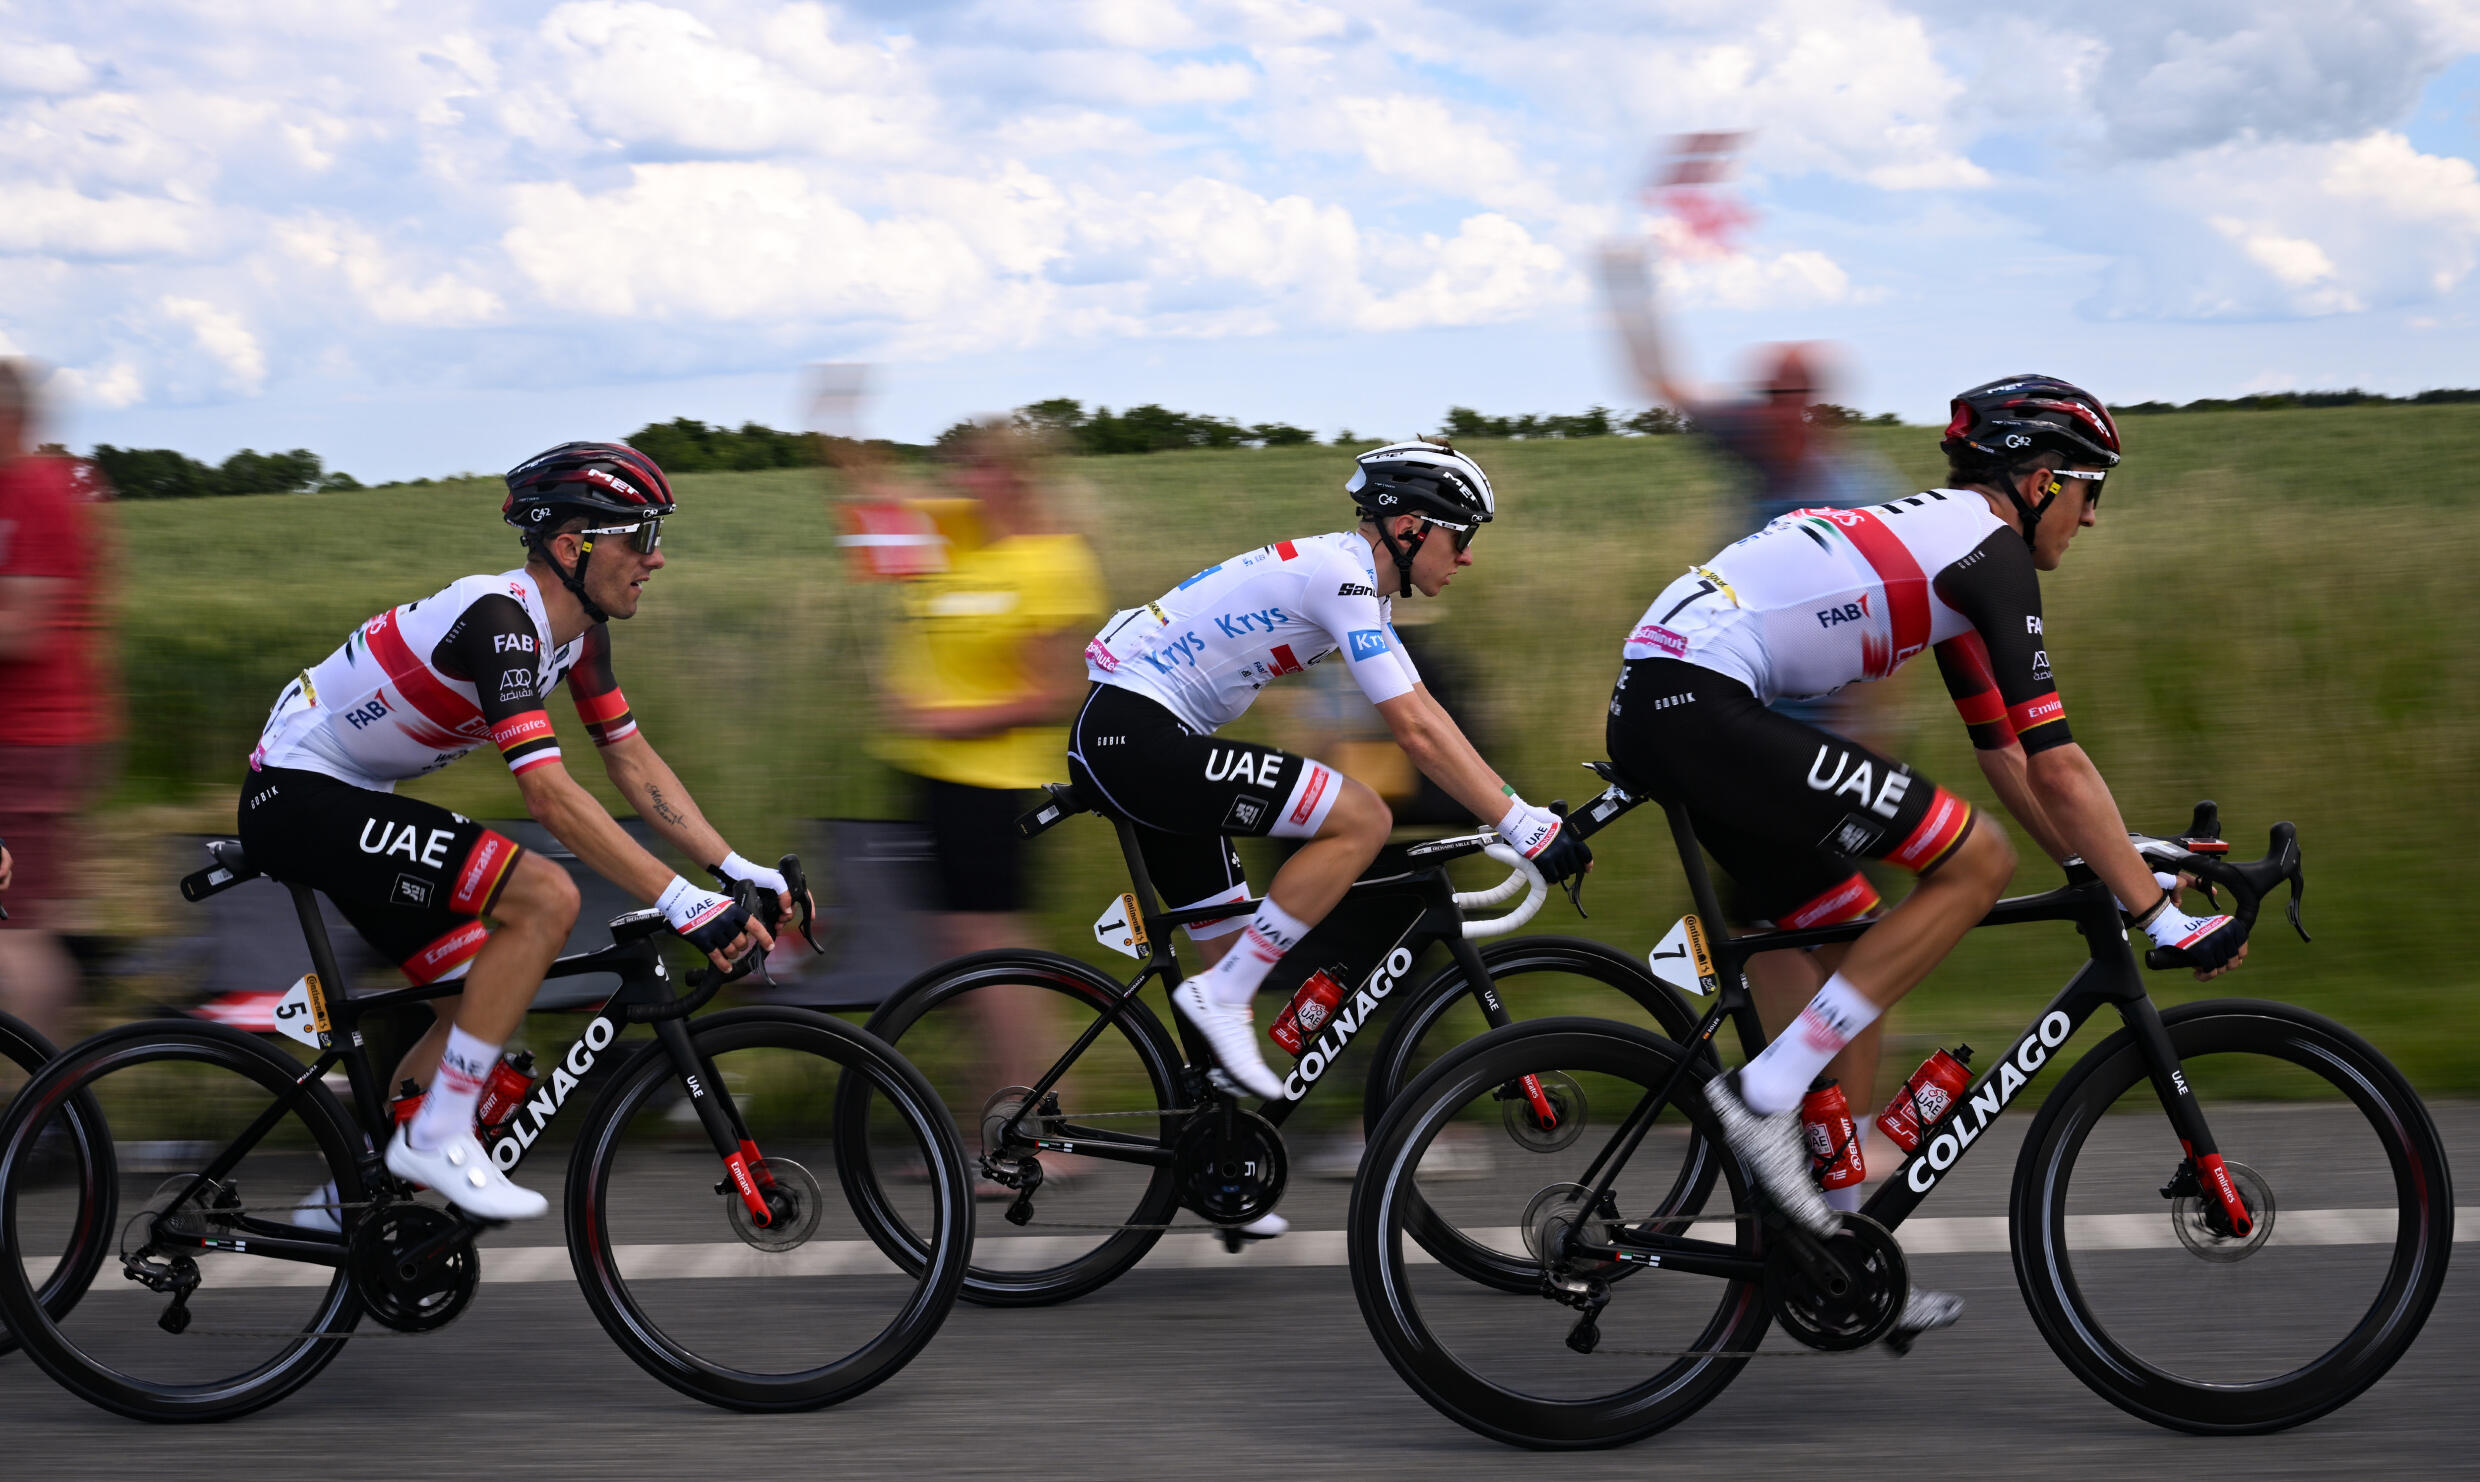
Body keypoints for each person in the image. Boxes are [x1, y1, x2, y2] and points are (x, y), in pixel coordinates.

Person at [1603, 376, 2248, 1341]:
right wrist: (2161, 919)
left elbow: (2012, 757)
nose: (2093, 518)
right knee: (1973, 863)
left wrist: (2118, 867)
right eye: (2090, 490)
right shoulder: (1987, 554)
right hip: (1696, 699)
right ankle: (1761, 1096)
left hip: (1667, 698)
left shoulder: (1943, 550)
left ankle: (1833, 1244)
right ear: (2039, 481)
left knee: (1847, 923)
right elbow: (2062, 761)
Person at [242, 442, 793, 1220]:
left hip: (352, 791)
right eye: (639, 537)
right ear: (574, 547)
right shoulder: (501, 622)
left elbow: (630, 759)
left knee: (480, 999)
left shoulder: (578, 636)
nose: (657, 558)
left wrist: (735, 867)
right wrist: (682, 903)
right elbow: (547, 795)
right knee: (542, 896)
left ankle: (356, 1206)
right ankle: (436, 1135)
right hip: (297, 791)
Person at [1069, 438, 1592, 1119]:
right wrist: (1519, 823)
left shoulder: (1360, 590)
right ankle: (1223, 999)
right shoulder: (1341, 578)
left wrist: (1513, 808)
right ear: (1409, 529)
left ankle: (1219, 1161)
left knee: (1231, 950)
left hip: (1142, 737)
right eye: (1460, 538)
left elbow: (1427, 713)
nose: (1466, 556)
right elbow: (1414, 733)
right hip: (1133, 736)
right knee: (1362, 818)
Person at [1599, 242, 1904, 1207]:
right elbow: (1657, 378)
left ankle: (1804, 1111)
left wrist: (1869, 750)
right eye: (1766, 398)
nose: (1775, 416)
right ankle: (1834, 1136)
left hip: (1804, 744)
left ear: (1816, 409)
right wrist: (1630, 288)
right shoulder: (1751, 441)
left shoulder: (1853, 484)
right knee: (1836, 936)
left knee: (1797, 931)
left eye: (1790, 401)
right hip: (1741, 730)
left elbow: (1889, 636)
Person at [856, 422, 1103, 1083]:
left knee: (994, 961)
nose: (963, 482)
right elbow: (867, 505)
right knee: (960, 958)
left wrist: (941, 720)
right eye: (958, 468)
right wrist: (843, 428)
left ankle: (1045, 1131)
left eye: (980, 468)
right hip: (932, 779)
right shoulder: (957, 533)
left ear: (1018, 477)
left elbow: (1051, 694)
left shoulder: (1052, 562)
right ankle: (996, 1126)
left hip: (996, 788)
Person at [0, 359, 116, 1047]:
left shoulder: (39, 494)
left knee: (19, 932)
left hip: (33, 744)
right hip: (22, 740)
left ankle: (48, 1121)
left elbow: (25, 626)